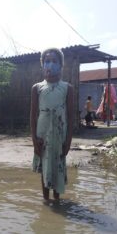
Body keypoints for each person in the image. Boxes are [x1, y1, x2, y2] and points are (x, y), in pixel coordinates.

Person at [30, 48, 74, 201]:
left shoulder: (67, 88)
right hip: (43, 134)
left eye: (54, 61)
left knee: (58, 166)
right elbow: (33, 116)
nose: (50, 64)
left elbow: (70, 116)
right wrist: (34, 140)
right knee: (45, 167)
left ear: (61, 65)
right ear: (43, 65)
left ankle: (56, 201)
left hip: (60, 134)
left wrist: (68, 141)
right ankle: (46, 202)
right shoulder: (37, 88)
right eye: (47, 61)